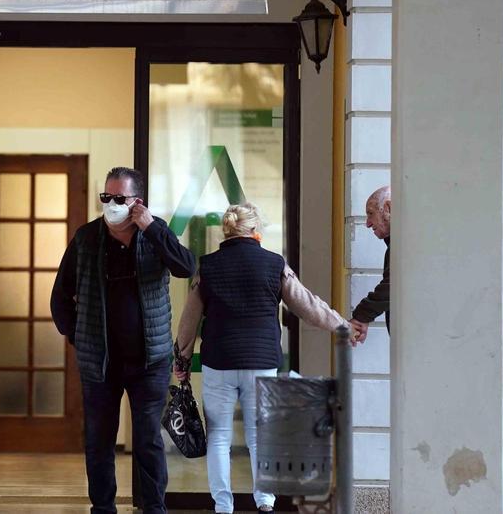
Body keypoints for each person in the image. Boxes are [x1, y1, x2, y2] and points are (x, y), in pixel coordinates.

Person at [173, 202, 358, 514]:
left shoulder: (208, 266)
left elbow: (189, 321)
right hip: (261, 362)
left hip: (219, 361)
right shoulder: (274, 264)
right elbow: (307, 305)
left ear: (226, 231)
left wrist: (181, 361)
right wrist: (342, 326)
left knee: (218, 438)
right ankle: (265, 504)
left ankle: (223, 506)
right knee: (260, 438)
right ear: (255, 230)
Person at [51, 167, 196, 514]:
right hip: (100, 362)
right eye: (106, 198)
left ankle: (154, 508)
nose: (111, 205)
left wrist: (152, 227)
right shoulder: (87, 238)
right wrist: (77, 335)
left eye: (119, 199)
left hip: (150, 361)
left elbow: (186, 267)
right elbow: (60, 296)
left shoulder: (154, 235)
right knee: (99, 440)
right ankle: (103, 507)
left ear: (137, 203)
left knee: (147, 440)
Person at [351, 186, 390, 342]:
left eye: (371, 214)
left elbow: (393, 286)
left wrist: (361, 317)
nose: (367, 224)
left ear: (388, 208)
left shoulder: (404, 246)